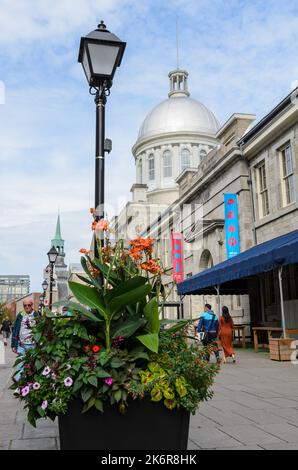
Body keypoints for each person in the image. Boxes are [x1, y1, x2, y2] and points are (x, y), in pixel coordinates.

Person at [11, 298, 39, 381]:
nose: (27, 307)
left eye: (29, 305)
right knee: (20, 365)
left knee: (31, 366)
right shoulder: (21, 315)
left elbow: (40, 329)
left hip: (33, 345)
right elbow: (15, 329)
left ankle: (30, 384)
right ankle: (18, 384)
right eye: (25, 305)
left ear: (32, 305)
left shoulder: (36, 315)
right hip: (21, 345)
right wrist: (13, 345)